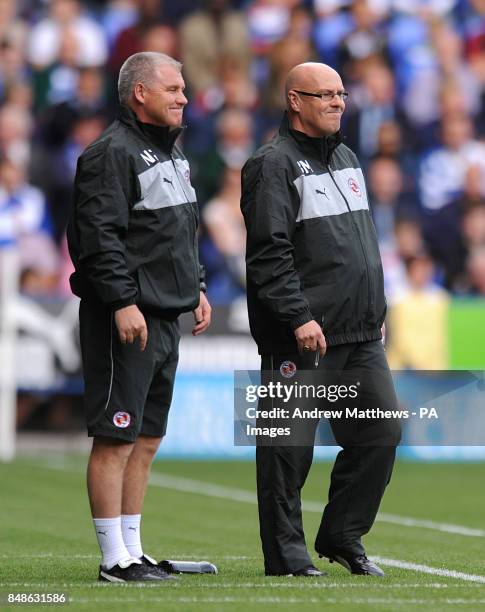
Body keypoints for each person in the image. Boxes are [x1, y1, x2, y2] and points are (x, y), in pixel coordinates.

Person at [240, 62, 401, 578]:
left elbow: (360, 243)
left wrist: (375, 306)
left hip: (359, 331)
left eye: (341, 93)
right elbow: (270, 253)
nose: (337, 102)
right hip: (303, 335)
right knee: (287, 449)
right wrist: (297, 317)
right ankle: (286, 557)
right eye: (324, 95)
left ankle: (341, 535)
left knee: (380, 435)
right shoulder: (272, 164)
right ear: (294, 100)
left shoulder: (348, 157)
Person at [67, 52, 211, 582]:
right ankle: (112, 560)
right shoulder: (110, 153)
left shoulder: (173, 156)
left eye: (184, 88)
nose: (184, 97)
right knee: (117, 436)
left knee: (146, 438)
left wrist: (195, 286)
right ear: (140, 93)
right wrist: (123, 301)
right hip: (126, 317)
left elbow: (177, 231)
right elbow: (96, 238)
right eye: (173, 88)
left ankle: (133, 549)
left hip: (167, 316)